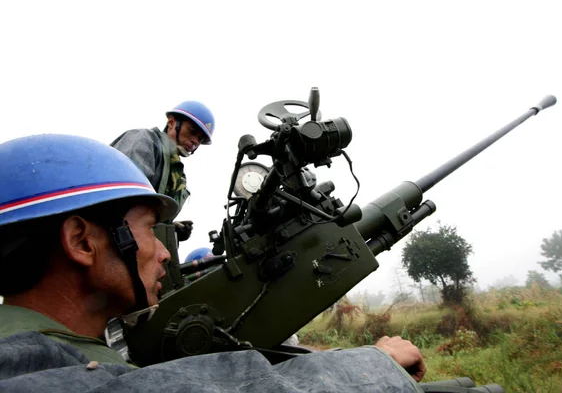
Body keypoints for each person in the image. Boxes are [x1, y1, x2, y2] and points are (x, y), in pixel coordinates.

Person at [0, 134, 426, 392]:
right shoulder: (24, 366)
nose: (166, 253)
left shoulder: (65, 353)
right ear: (82, 242)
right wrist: (372, 367)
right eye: (151, 229)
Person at [110, 100, 215, 242]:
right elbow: (121, 198)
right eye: (192, 131)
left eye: (200, 139)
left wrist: (170, 228)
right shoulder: (144, 140)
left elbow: (148, 215)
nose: (195, 141)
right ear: (171, 123)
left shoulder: (177, 174)